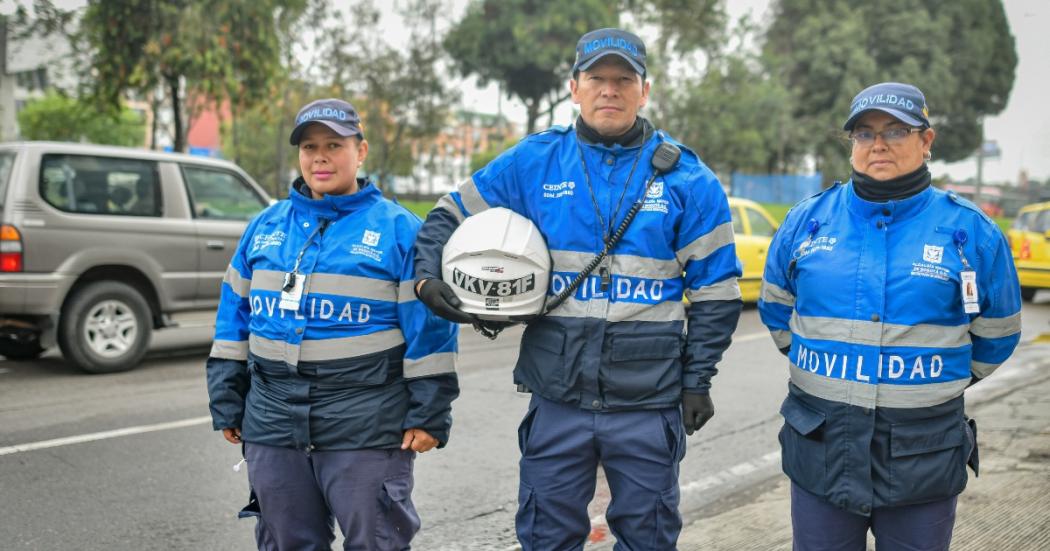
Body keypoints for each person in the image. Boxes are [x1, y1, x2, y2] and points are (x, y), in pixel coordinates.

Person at [414, 28, 742, 549]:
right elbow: (447, 213)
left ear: (644, 91)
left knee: (649, 538)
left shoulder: (688, 179)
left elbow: (717, 294)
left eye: (623, 80)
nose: (609, 90)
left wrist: (697, 380)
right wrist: (427, 277)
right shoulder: (534, 161)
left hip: (647, 401)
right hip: (557, 396)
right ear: (574, 87)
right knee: (546, 537)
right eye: (596, 78)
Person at [758, 82, 1022, 550]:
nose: (877, 144)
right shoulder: (805, 221)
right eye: (864, 133)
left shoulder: (972, 232)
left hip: (923, 454)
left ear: (926, 140)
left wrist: (932, 380)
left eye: (896, 131)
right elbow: (777, 310)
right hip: (821, 446)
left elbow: (998, 333)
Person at [206, 98, 459, 550]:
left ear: (361, 151)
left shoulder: (400, 230)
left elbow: (431, 333)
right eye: (309, 147)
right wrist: (227, 397)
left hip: (364, 423)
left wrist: (429, 414)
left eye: (333, 145)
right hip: (272, 422)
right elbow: (233, 320)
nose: (320, 157)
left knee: (376, 541)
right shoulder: (265, 226)